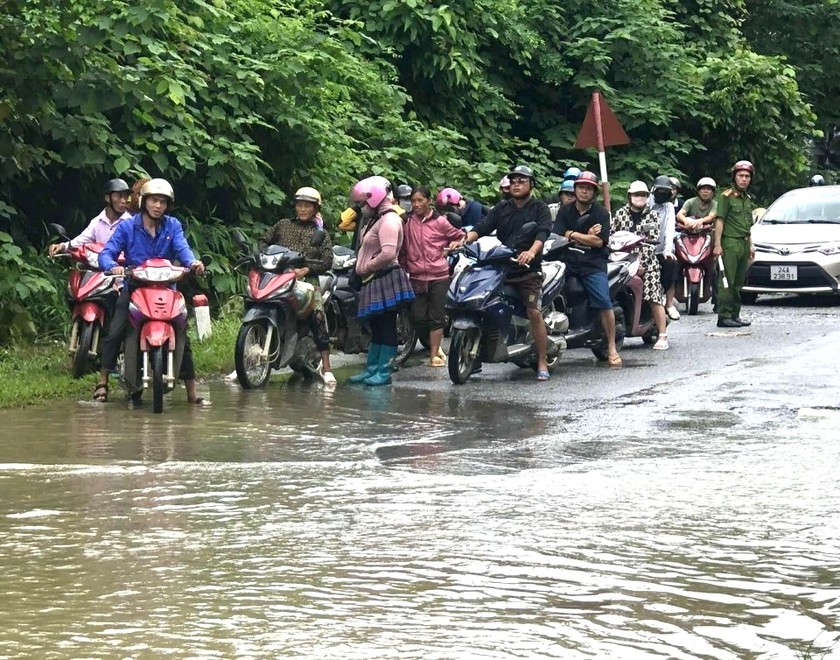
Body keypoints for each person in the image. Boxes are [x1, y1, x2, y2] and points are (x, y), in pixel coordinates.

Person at [93, 178, 206, 404]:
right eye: (154, 200)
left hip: (167, 287)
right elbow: (107, 253)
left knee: (182, 329)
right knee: (115, 331)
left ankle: (192, 391)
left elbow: (183, 250)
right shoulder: (127, 226)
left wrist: (193, 264)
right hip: (135, 287)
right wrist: (111, 266)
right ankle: (102, 382)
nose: (158, 206)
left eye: (163, 202)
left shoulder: (173, 225)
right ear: (144, 201)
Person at [451, 164, 553, 380]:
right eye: (513, 181)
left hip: (527, 270)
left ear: (531, 185)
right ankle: (478, 353)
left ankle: (542, 359)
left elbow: (542, 235)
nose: (516, 184)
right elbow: (482, 227)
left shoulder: (539, 208)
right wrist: (463, 240)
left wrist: (531, 252)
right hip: (503, 267)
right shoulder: (502, 208)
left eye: (522, 181)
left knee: (534, 311)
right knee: (482, 301)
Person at [259, 186, 336, 386]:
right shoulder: (283, 225)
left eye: (307, 206)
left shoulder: (321, 233)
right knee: (259, 307)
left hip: (306, 281)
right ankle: (245, 360)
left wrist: (306, 269)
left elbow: (327, 260)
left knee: (317, 316)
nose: (302, 209)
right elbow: (264, 242)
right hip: (278, 277)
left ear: (315, 209)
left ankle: (327, 367)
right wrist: (263, 259)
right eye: (299, 205)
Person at [348, 176, 415, 386]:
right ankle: (371, 370)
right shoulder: (375, 218)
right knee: (376, 325)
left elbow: (388, 253)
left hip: (384, 276)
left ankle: (383, 372)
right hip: (373, 278)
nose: (361, 207)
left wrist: (365, 267)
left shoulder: (389, 220)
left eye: (363, 203)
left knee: (386, 325)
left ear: (375, 199)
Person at [553, 171, 622, 366]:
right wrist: (583, 235)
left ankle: (611, 346)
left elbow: (598, 241)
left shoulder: (601, 213)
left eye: (588, 188)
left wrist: (572, 234)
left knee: (603, 301)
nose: (584, 191)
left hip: (592, 263)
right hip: (567, 261)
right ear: (574, 190)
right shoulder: (565, 211)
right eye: (580, 187)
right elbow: (557, 235)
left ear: (594, 192)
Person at [399, 186, 465, 367]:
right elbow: (403, 248)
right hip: (416, 276)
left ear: (428, 201)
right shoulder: (407, 222)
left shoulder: (440, 222)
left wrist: (451, 246)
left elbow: (459, 236)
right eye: (413, 201)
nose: (416, 204)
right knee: (418, 316)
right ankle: (431, 345)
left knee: (437, 316)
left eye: (420, 200)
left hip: (439, 275)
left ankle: (434, 354)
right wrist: (403, 267)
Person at [611, 181, 669, 350]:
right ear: (629, 196)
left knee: (652, 294)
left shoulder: (652, 215)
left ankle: (662, 334)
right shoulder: (620, 214)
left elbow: (652, 243)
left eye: (643, 195)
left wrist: (640, 263)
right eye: (636, 194)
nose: (640, 198)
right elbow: (612, 236)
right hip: (621, 260)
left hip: (647, 260)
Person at [714, 160, 756, 328]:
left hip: (744, 243)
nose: (744, 179)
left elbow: (747, 226)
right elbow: (719, 221)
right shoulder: (726, 197)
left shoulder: (747, 199)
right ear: (735, 177)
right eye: (741, 176)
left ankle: (735, 315)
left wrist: (751, 245)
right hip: (730, 243)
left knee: (739, 282)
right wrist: (717, 245)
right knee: (727, 281)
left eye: (747, 176)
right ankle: (723, 316)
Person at [48, 179, 132, 256]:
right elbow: (82, 240)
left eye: (125, 197)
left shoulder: (131, 223)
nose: (123, 201)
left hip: (124, 269)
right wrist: (62, 246)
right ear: (107, 198)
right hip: (98, 267)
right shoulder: (97, 222)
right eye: (118, 196)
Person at [649, 175, 679, 320]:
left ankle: (669, 303)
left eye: (665, 192)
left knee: (671, 264)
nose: (662, 194)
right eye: (659, 191)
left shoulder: (669, 207)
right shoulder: (646, 203)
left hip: (661, 249)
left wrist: (668, 250)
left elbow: (669, 229)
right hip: (643, 250)